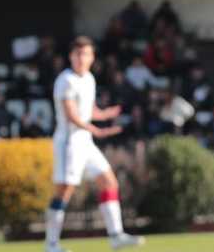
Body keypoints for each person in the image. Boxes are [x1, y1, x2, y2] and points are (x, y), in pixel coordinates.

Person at [44, 37, 144, 252]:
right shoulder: (65, 80)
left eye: (85, 54)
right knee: (64, 192)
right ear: (71, 56)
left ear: (92, 57)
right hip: (68, 143)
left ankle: (116, 235)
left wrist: (105, 114)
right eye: (77, 54)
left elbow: (87, 111)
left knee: (108, 181)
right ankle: (51, 244)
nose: (81, 58)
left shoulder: (88, 78)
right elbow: (72, 115)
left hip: (85, 141)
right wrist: (97, 130)